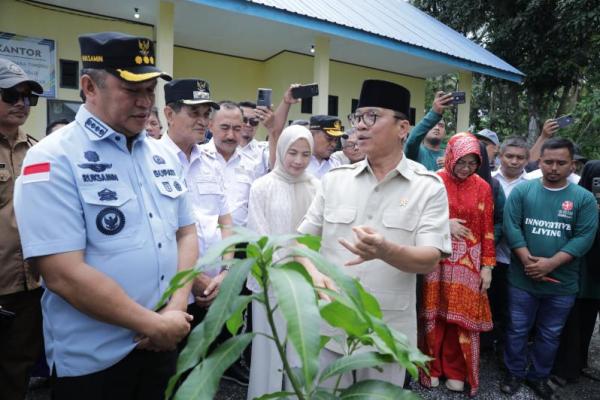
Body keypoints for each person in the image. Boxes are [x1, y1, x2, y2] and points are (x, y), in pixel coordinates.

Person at [13, 32, 197, 399]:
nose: (146, 103)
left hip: (163, 343)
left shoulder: (160, 155)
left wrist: (174, 311)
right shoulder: (52, 159)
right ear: (88, 86)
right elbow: (63, 274)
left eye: (150, 91)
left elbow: (186, 233)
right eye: (132, 91)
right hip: (96, 362)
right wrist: (153, 323)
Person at [297, 79, 451, 387]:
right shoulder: (334, 180)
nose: (360, 127)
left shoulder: (427, 187)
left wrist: (386, 251)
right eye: (358, 117)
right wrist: (313, 275)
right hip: (330, 327)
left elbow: (430, 259)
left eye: (373, 116)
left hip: (386, 334)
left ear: (403, 128)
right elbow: (300, 242)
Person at [501, 138, 598, 400]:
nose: (554, 167)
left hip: (562, 283)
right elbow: (511, 226)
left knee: (550, 333)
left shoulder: (584, 198)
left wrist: (550, 264)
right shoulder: (523, 191)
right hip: (522, 279)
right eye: (548, 161)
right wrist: (526, 260)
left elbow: (584, 237)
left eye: (561, 162)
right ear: (539, 162)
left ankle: (539, 376)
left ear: (572, 165)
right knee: (517, 329)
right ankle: (514, 373)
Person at [246, 124, 319, 399]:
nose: (298, 161)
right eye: (292, 153)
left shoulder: (316, 187)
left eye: (305, 154)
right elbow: (258, 235)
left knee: (301, 347)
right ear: (280, 149)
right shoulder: (262, 187)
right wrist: (281, 273)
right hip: (272, 282)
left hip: (308, 281)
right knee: (271, 346)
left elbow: (320, 236)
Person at [420, 132, 495, 396]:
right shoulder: (434, 181)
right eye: (461, 162)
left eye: (472, 163)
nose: (465, 169)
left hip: (469, 264)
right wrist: (445, 224)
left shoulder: (483, 187)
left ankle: (455, 371)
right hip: (437, 259)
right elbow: (417, 218)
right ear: (451, 156)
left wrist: (487, 266)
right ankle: (431, 369)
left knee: (460, 320)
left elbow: (487, 229)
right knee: (434, 315)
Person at [160, 78, 232, 309]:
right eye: (194, 113)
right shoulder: (151, 161)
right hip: (173, 298)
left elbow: (225, 221)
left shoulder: (212, 163)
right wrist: (194, 280)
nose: (203, 121)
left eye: (206, 113)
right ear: (169, 114)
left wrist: (225, 271)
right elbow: (158, 237)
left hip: (218, 289)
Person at [0, 57, 44, 400]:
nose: (21, 103)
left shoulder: (38, 151)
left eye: (28, 97)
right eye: (11, 94)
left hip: (30, 283)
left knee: (19, 368)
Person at [551, 160, 600, 386]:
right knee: (575, 317)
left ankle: (578, 364)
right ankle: (567, 366)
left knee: (587, 317)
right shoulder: (592, 171)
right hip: (583, 263)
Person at [488, 137, 530, 353]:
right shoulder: (488, 179)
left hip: (516, 257)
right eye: (509, 156)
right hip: (489, 255)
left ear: (527, 159)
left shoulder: (532, 184)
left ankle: (505, 350)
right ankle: (486, 345)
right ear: (500, 156)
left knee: (511, 308)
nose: (514, 161)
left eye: (520, 157)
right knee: (488, 302)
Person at [404, 91, 453, 171]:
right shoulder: (415, 151)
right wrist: (435, 112)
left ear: (445, 133)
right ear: (425, 129)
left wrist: (451, 166)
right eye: (433, 125)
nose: (437, 128)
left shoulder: (449, 156)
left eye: (441, 126)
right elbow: (412, 141)